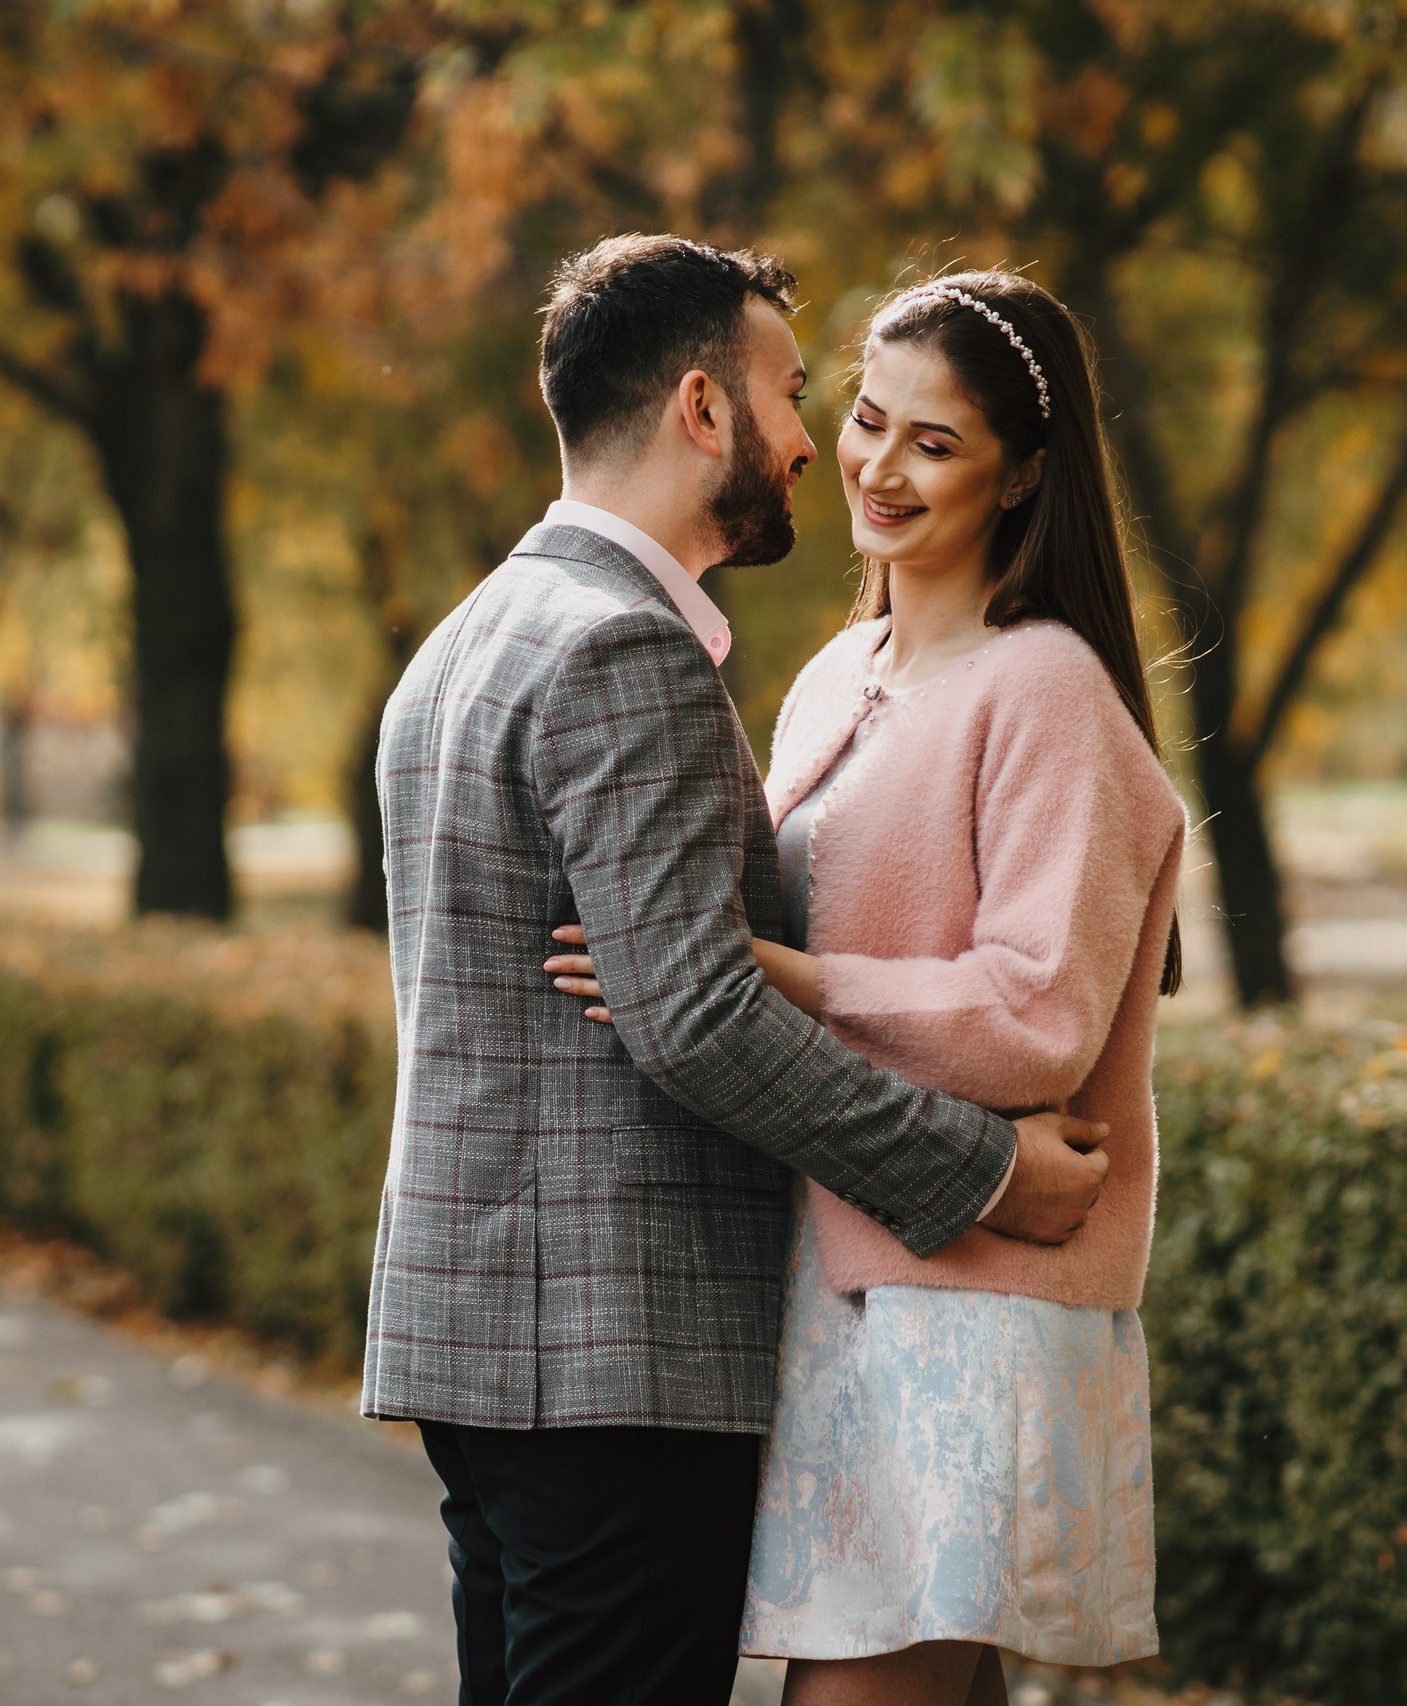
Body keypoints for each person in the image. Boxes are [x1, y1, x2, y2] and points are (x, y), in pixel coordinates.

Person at [366, 235, 1115, 1706]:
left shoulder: (469, 638)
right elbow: (700, 1013)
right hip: (610, 1357)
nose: (809, 444)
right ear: (703, 409)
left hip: (485, 1342)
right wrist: (980, 1171)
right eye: (793, 392)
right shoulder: (620, 650)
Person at [546, 272, 1188, 1704]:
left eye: (935, 443)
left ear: (1024, 471)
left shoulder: (1047, 691)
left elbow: (1039, 1019)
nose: (879, 469)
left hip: (974, 1312)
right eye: (868, 422)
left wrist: (776, 974)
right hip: (833, 1287)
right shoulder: (834, 676)